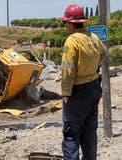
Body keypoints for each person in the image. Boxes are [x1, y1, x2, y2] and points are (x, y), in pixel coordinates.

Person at [60, 4, 106, 160]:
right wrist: (95, 68)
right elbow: (104, 53)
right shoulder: (92, 37)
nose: (66, 26)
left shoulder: (72, 41)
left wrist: (66, 93)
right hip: (93, 88)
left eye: (66, 23)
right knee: (89, 131)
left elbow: (68, 70)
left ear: (71, 23)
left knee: (71, 134)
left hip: (77, 92)